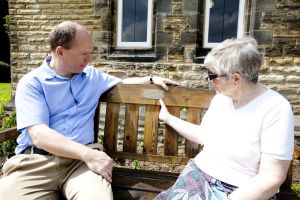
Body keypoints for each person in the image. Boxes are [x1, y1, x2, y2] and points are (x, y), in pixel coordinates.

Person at [0, 21, 180, 200]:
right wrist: (90, 154)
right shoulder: (33, 83)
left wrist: (151, 79)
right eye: (84, 54)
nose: (89, 59)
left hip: (81, 165)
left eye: (90, 52)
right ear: (60, 52)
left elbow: (122, 83)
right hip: (37, 164)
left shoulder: (92, 76)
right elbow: (40, 135)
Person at [155, 37, 294, 200]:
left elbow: (272, 177)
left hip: (238, 191)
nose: (209, 80)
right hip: (198, 177)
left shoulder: (276, 108)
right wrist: (168, 118)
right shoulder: (222, 98)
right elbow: (204, 135)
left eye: (212, 75)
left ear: (236, 79)